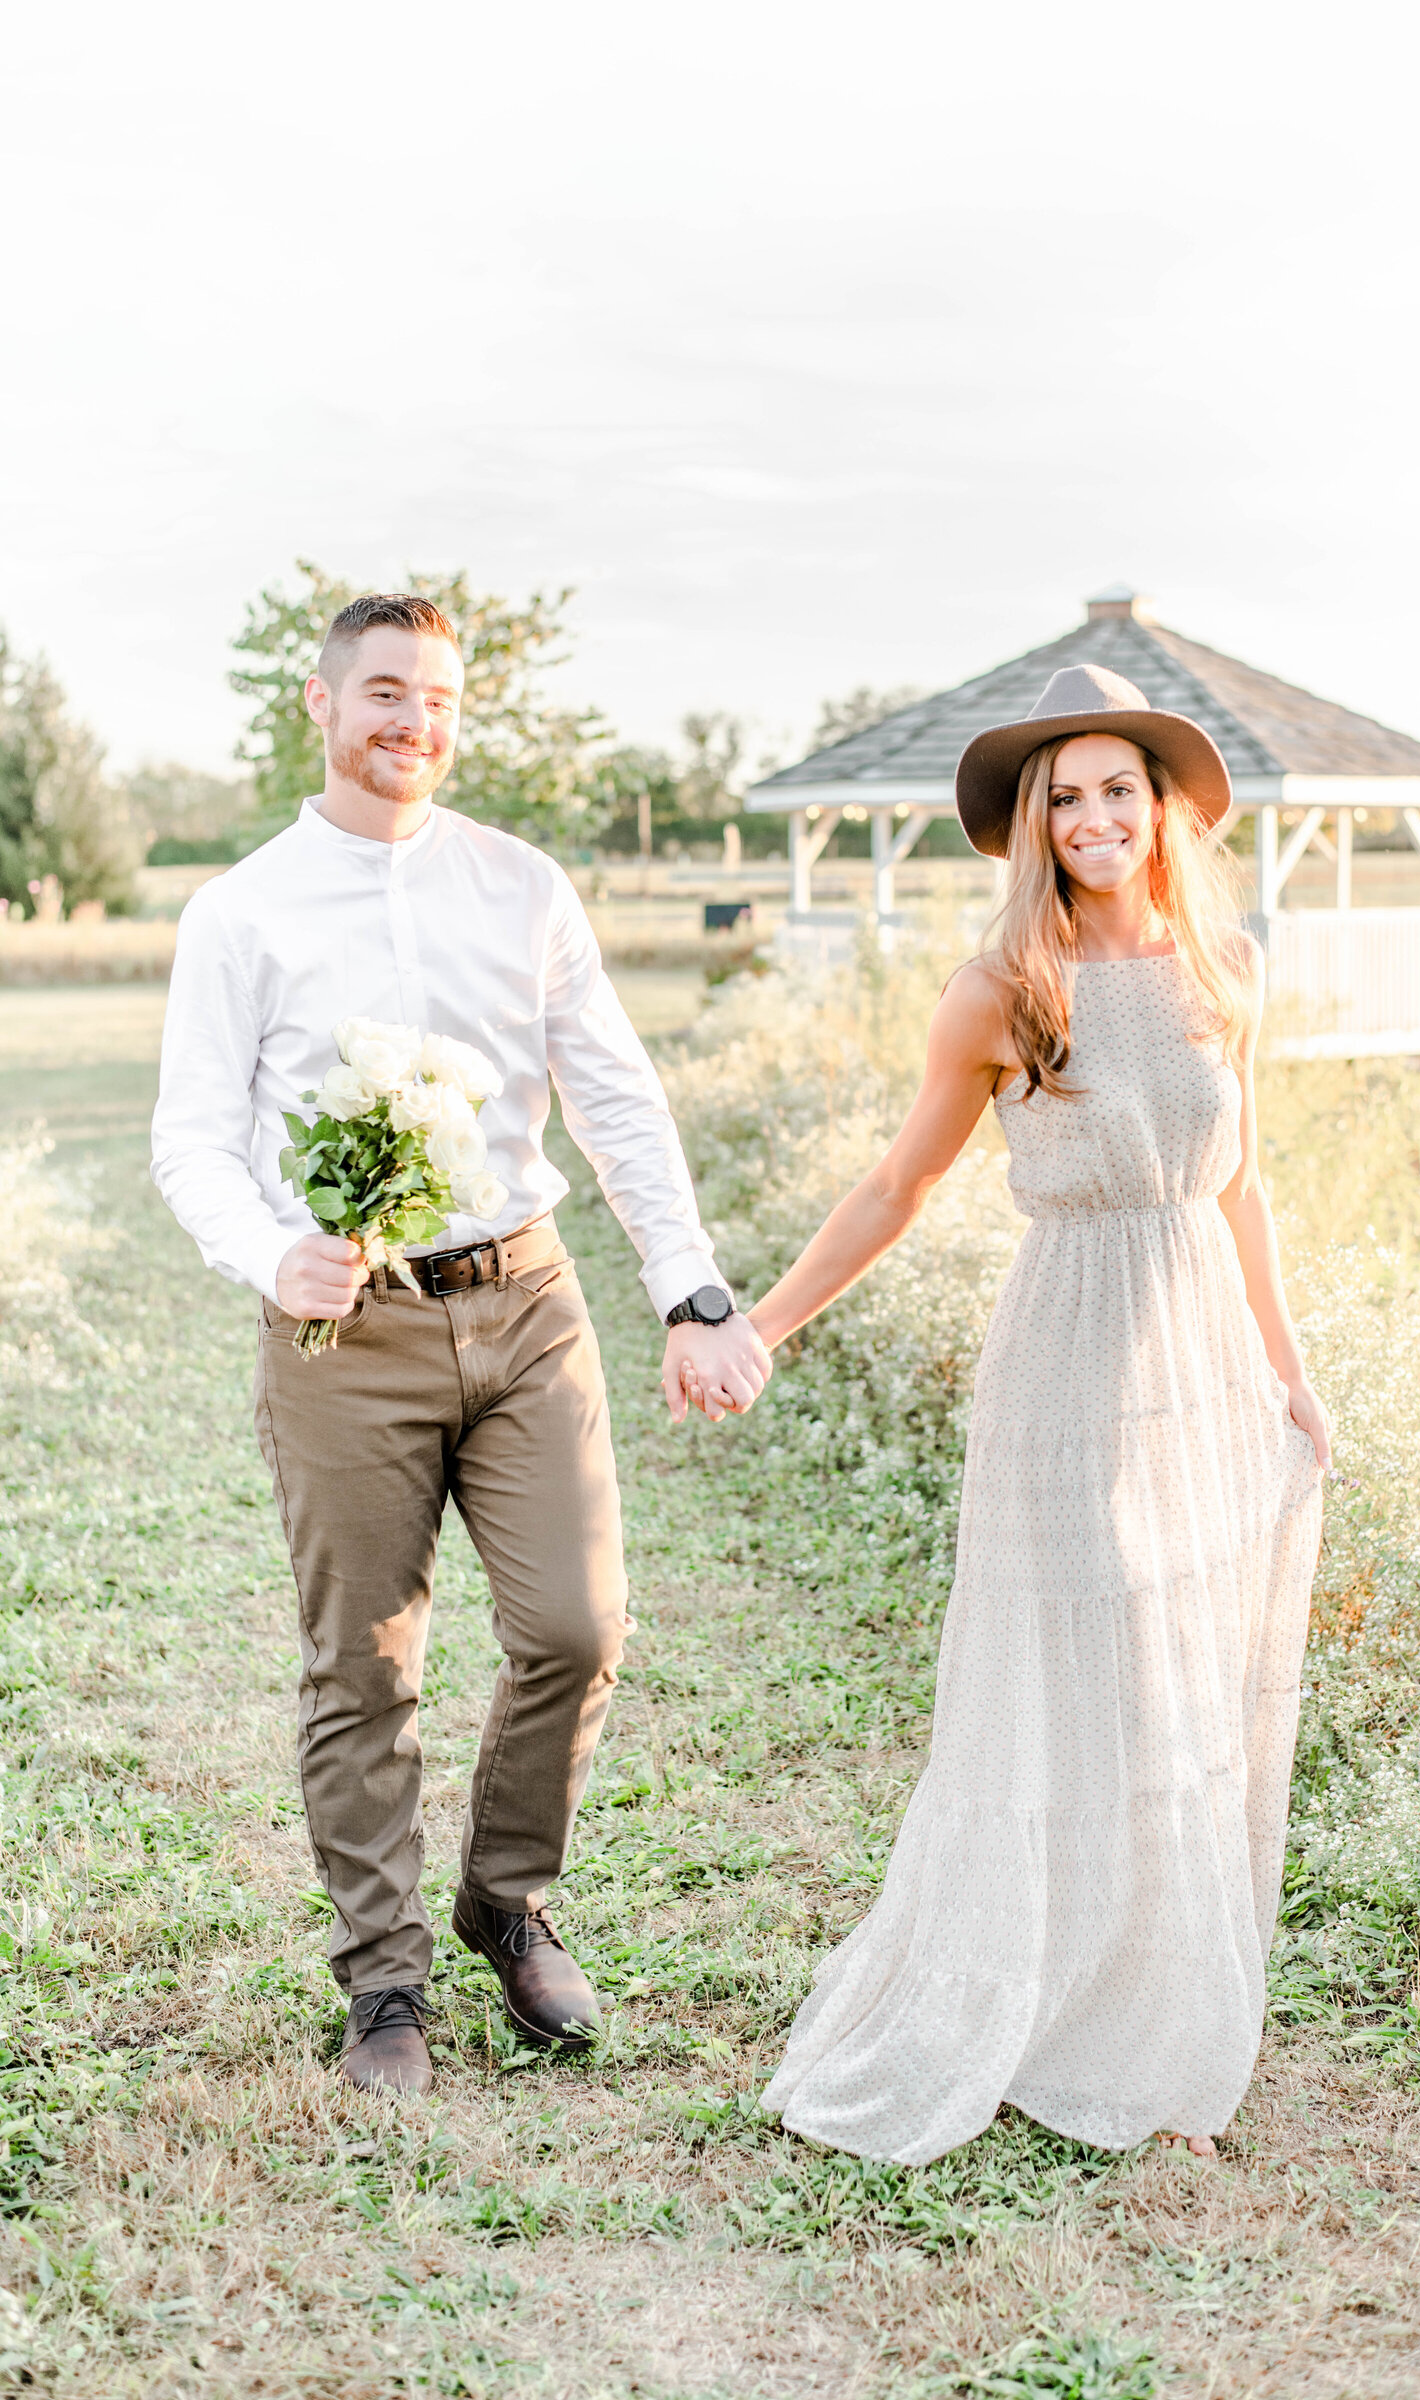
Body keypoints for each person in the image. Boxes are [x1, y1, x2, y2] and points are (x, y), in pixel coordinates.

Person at [152, 592, 770, 2096]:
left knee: (577, 1630)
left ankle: (505, 1900)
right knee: (363, 1667)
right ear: (320, 704)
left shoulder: (523, 887)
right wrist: (270, 1252)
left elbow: (613, 1096)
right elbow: (190, 1142)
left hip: (528, 1304)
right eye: (382, 693)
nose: (411, 721)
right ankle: (385, 1985)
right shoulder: (243, 909)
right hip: (342, 1334)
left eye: (435, 697)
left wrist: (688, 1288)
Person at [746, 663, 1329, 2165]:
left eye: (1114, 790)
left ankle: (1154, 2013)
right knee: (1101, 1664)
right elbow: (898, 1186)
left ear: (1162, 807)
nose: (1090, 818)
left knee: (1183, 1681)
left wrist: (1284, 1363)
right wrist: (760, 1324)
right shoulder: (1005, 989)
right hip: (1071, 1358)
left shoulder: (1228, 969)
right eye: (1060, 797)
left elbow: (1246, 1184)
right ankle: (1046, 2002)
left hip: (1198, 1346)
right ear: (1031, 823)